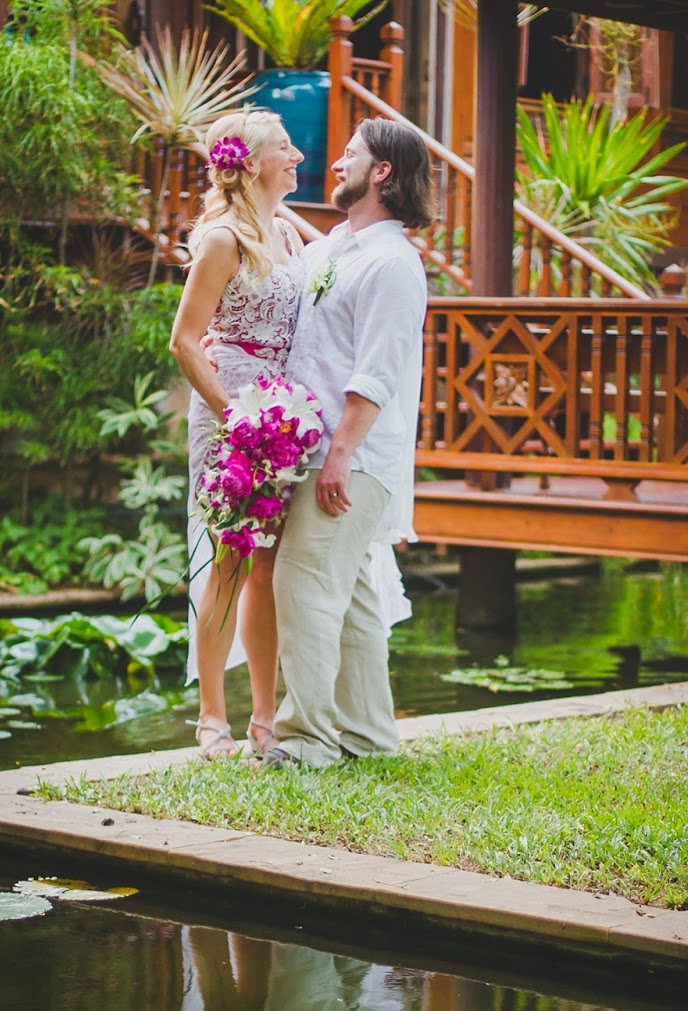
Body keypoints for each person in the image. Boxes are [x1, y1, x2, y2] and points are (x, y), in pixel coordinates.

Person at [258, 118, 433, 769]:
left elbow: (377, 371)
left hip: (350, 458)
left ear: (382, 172)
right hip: (314, 449)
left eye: (350, 154)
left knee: (303, 586)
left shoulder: (393, 264)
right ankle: (367, 736)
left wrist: (338, 456)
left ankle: (305, 740)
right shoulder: (332, 248)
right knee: (355, 599)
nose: (336, 163)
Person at [169, 110, 305, 759]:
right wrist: (235, 418)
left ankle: (264, 722)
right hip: (231, 417)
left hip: (281, 419)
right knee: (228, 561)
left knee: (269, 569)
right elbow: (185, 342)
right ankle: (211, 721)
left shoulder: (286, 232)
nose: (298, 156)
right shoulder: (221, 239)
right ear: (250, 162)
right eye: (285, 148)